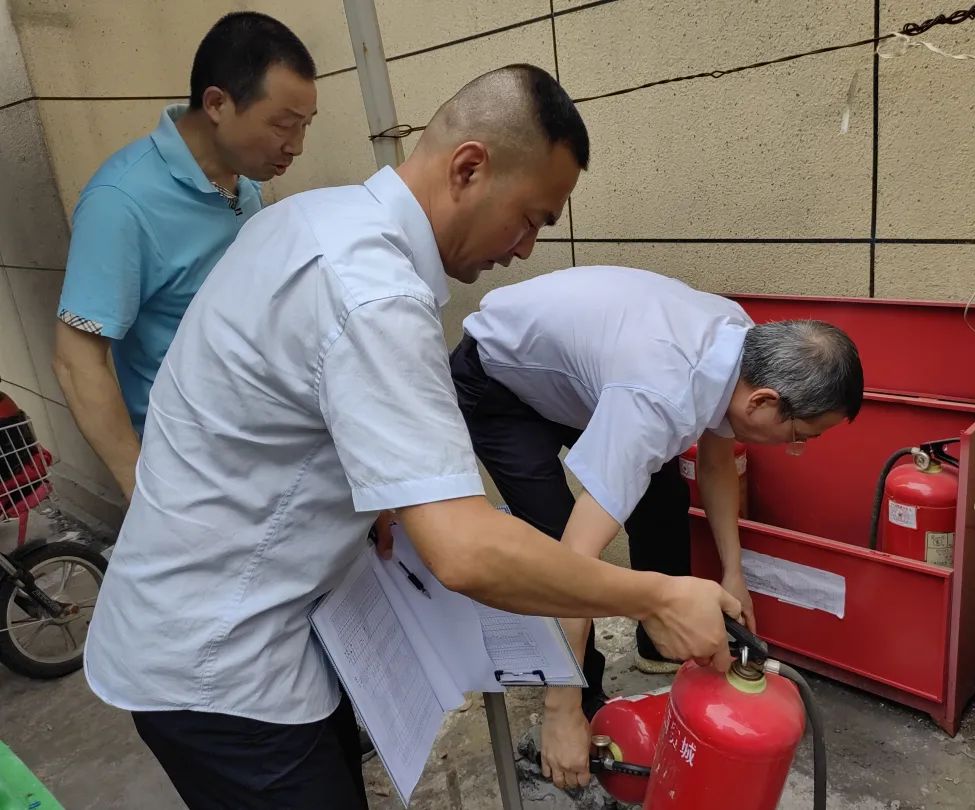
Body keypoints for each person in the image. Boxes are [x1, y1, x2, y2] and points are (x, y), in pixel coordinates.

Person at [81, 65, 743, 810]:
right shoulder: (373, 293)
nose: (526, 249)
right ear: (469, 168)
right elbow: (465, 552)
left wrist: (383, 492)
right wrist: (655, 595)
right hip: (224, 668)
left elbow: (283, 406)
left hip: (219, 622)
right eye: (529, 218)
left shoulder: (314, 220)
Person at [449, 264, 864, 789]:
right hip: (498, 380)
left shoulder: (740, 344)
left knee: (664, 494)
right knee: (556, 542)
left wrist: (733, 573)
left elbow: (716, 463)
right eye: (800, 435)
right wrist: (560, 710)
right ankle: (578, 703)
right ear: (762, 402)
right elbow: (573, 561)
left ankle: (658, 642)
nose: (796, 447)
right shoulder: (660, 397)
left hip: (578, 374)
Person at [52, 11, 317, 501]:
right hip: (197, 473)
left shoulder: (244, 181)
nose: (296, 146)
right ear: (217, 103)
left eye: (305, 126)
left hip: (276, 449)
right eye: (283, 125)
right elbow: (76, 361)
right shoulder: (121, 201)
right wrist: (143, 493)